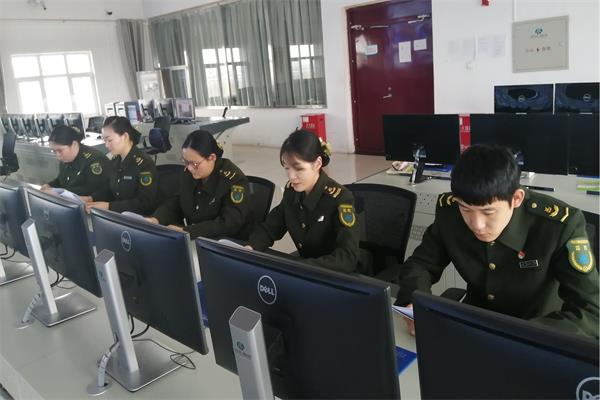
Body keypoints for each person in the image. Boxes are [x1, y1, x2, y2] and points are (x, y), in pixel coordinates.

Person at [396, 144, 598, 338]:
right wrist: (415, 302)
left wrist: (524, 337)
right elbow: (420, 264)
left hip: (539, 335)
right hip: (474, 327)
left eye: (488, 212)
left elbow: (591, 311)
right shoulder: (449, 213)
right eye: (465, 209)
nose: (477, 224)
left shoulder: (558, 225)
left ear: (516, 199)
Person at [246, 130, 360, 273]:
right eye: (287, 168)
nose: (291, 176)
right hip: (306, 271)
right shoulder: (292, 192)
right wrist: (250, 247)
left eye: (299, 168)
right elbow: (270, 228)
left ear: (317, 164)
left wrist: (302, 267)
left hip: (335, 275)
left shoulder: (339, 198)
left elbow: (347, 257)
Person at [147, 130, 254, 239]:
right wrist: (157, 218)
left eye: (194, 163)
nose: (189, 168)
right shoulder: (190, 172)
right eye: (185, 161)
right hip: (195, 237)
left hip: (224, 242)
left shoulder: (234, 180)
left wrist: (188, 231)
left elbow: (229, 223)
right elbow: (178, 201)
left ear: (212, 158)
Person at [82, 116, 158, 215]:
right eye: (105, 141)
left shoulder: (144, 164)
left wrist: (109, 206)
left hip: (137, 219)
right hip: (117, 216)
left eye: (110, 140)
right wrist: (91, 198)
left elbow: (146, 203)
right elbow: (110, 190)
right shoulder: (115, 160)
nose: (106, 145)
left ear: (125, 136)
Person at [40, 125, 110, 196]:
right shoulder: (65, 158)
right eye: (54, 151)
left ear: (74, 144)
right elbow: (62, 180)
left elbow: (93, 189)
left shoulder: (94, 159)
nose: (57, 155)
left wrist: (60, 192)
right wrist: (49, 185)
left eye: (60, 150)